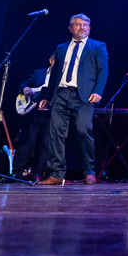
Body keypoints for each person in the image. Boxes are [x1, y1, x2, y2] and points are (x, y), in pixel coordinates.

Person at [37, 14, 109, 185]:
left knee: (84, 131)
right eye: (78, 24)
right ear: (70, 28)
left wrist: (98, 91)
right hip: (61, 94)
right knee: (55, 133)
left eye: (85, 25)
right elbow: (53, 75)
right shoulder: (61, 48)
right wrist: (47, 97)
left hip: (83, 96)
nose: (82, 27)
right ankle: (56, 173)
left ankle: (89, 170)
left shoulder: (98, 46)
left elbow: (103, 70)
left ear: (89, 28)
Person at [11, 52, 56, 180]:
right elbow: (24, 84)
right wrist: (25, 88)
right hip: (34, 113)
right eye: (55, 61)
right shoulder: (39, 73)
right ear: (50, 61)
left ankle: (37, 173)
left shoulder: (60, 77)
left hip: (50, 115)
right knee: (26, 142)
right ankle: (17, 171)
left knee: (45, 144)